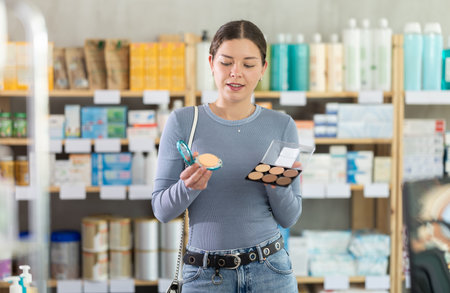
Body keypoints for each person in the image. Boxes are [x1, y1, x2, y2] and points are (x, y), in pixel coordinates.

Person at [152, 20, 301, 293]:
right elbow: (161, 210)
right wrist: (188, 187)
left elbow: (290, 217)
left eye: (248, 64)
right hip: (206, 275)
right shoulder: (185, 121)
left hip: (271, 270)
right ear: (211, 63)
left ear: (263, 69)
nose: (236, 73)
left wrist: (275, 185)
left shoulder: (282, 125)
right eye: (226, 62)